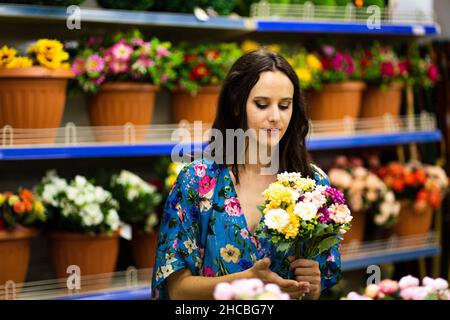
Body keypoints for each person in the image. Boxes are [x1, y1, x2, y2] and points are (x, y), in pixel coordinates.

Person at [151, 49, 342, 300]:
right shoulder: (196, 181)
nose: (275, 117)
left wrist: (313, 286)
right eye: (262, 105)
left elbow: (313, 290)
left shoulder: (312, 184)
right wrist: (247, 280)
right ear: (236, 105)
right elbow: (177, 290)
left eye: (285, 106)